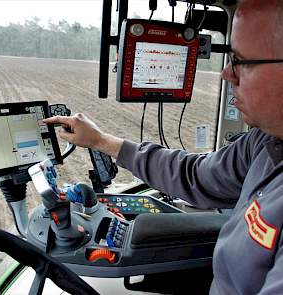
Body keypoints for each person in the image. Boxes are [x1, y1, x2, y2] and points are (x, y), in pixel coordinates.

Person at [44, 0, 283, 294]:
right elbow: (196, 175)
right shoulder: (266, 141)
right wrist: (99, 140)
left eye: (241, 61)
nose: (226, 74)